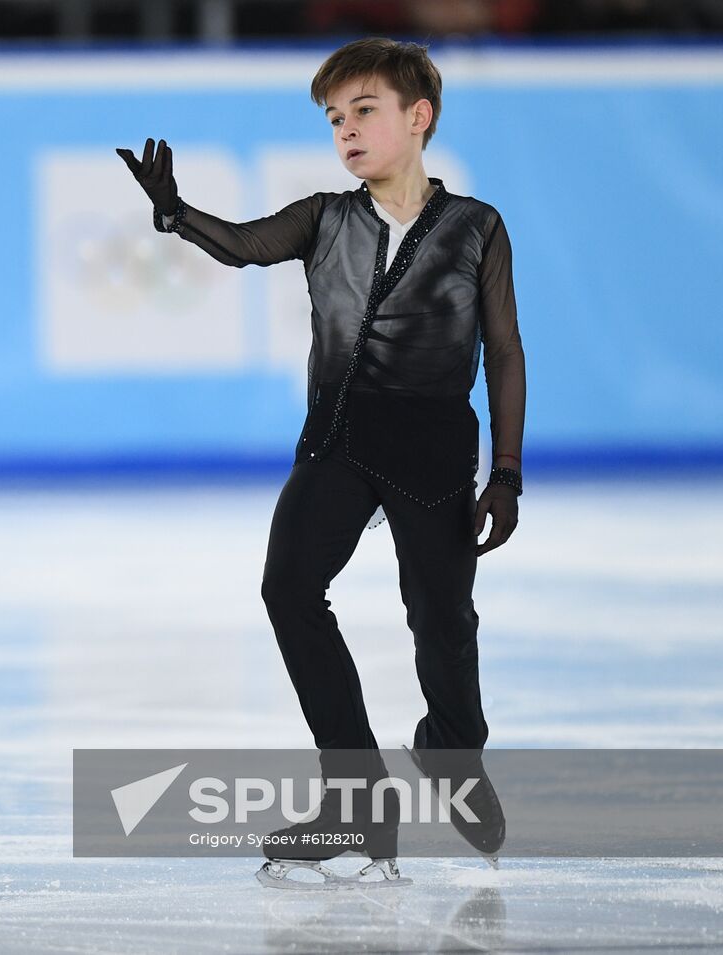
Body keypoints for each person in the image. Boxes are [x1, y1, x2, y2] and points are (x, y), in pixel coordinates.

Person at [118, 36, 524, 887]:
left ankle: (454, 754)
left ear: (420, 118)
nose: (346, 130)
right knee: (288, 587)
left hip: (435, 449)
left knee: (441, 619)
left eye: (363, 110)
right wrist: (174, 212)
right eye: (335, 118)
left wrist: (509, 471)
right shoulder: (324, 217)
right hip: (339, 439)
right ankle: (356, 799)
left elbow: (504, 348)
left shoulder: (478, 227)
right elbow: (240, 244)